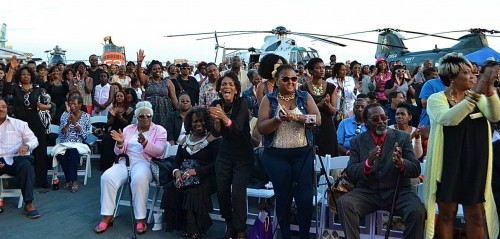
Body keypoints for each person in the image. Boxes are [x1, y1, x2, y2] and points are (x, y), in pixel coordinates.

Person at [423, 54, 500, 239]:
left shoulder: (477, 98)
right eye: (466, 73)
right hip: (448, 165)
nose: (473, 77)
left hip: (475, 165)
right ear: (451, 78)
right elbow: (448, 119)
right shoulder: (436, 99)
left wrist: (489, 91)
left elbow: (495, 115)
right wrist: (476, 93)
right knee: (447, 215)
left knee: (476, 216)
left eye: (473, 73)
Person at [337, 103, 425, 239]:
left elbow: (415, 168)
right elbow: (351, 171)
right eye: (375, 119)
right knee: (345, 203)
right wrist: (367, 163)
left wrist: (401, 163)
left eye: (383, 118)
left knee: (417, 211)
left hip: (398, 191)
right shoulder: (357, 141)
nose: (381, 122)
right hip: (368, 192)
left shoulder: (402, 138)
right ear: (366, 122)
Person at [257, 64, 320, 239]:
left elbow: (317, 120)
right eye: (285, 79)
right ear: (277, 81)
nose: (290, 82)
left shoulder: (304, 96)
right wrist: (277, 119)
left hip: (303, 154)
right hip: (276, 156)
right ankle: (285, 235)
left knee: (304, 200)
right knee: (283, 199)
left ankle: (304, 236)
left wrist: (296, 118)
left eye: (294, 78)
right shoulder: (268, 100)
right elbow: (261, 128)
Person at [95, 101, 167, 234]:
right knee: (107, 177)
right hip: (125, 162)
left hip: (145, 162)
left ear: (152, 116)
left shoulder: (159, 130)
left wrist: (145, 143)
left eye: (148, 115)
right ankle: (108, 215)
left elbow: (159, 151)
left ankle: (140, 218)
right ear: (136, 117)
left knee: (139, 179)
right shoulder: (129, 129)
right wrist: (120, 143)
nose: (145, 118)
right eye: (142, 116)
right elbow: (118, 153)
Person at [208, 72, 253, 239]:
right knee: (222, 190)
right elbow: (216, 132)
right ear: (219, 89)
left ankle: (241, 229)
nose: (227, 86)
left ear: (236, 89)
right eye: (224, 84)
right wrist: (218, 120)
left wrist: (223, 116)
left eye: (231, 84)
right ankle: (230, 225)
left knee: (238, 193)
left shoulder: (243, 102)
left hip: (243, 154)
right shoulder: (216, 103)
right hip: (225, 153)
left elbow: (238, 128)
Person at [163, 106, 220, 238]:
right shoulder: (185, 139)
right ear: (190, 123)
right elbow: (177, 161)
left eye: (201, 121)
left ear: (207, 121)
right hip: (185, 175)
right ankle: (184, 225)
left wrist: (197, 171)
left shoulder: (212, 139)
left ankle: (195, 228)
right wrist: (177, 172)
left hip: (207, 177)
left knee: (192, 192)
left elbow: (217, 164)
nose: (198, 124)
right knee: (171, 189)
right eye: (195, 121)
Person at [3, 56, 51, 188]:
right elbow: (6, 89)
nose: (25, 76)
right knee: (19, 151)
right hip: (19, 123)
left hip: (36, 122)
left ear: (31, 76)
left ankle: (41, 180)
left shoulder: (37, 89)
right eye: (23, 74)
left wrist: (45, 106)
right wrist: (12, 69)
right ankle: (22, 180)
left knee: (40, 151)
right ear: (19, 76)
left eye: (28, 74)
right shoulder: (15, 89)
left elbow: (49, 104)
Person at [0, 98, 41, 218]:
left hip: (15, 159)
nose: (0, 109)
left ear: (7, 109)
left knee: (26, 165)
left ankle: (28, 204)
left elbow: (34, 140)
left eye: (3, 106)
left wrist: (26, 146)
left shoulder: (18, 124)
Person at [300, 58, 339, 156]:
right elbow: (302, 112)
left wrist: (327, 105)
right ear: (310, 71)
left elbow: (334, 112)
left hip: (327, 128)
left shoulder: (331, 87)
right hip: (310, 128)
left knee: (329, 157)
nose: (322, 70)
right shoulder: (303, 89)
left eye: (323, 67)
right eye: (318, 68)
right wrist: (319, 105)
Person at [55, 95, 91, 193]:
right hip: (65, 142)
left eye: (75, 104)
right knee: (60, 154)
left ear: (80, 104)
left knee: (73, 151)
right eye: (71, 103)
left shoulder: (86, 116)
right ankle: (68, 179)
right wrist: (68, 124)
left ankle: (74, 180)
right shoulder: (65, 115)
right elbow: (61, 134)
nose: (72, 106)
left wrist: (75, 123)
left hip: (78, 143)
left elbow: (85, 136)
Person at [136, 50, 178, 128]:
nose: (157, 70)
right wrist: (139, 63)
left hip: (165, 110)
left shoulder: (168, 82)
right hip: (150, 110)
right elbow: (139, 73)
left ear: (162, 69)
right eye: (154, 69)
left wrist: (179, 112)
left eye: (159, 68)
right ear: (151, 71)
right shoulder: (147, 80)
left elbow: (173, 98)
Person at [99, 90, 134, 171]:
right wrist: (113, 116)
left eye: (121, 96)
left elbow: (127, 123)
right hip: (114, 130)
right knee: (107, 138)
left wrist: (120, 116)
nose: (119, 97)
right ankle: (107, 165)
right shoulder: (112, 109)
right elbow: (109, 124)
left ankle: (122, 163)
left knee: (122, 139)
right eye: (117, 96)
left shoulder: (129, 109)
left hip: (125, 130)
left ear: (124, 98)